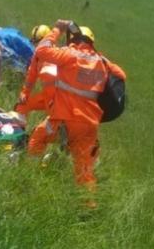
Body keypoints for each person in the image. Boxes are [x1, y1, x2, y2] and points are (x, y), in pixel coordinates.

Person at [27, 20, 126, 188]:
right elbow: (121, 75)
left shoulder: (69, 54)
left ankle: (29, 178)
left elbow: (41, 50)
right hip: (88, 126)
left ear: (74, 39)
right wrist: (101, 58)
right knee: (84, 172)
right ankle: (89, 207)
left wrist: (57, 29)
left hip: (63, 120)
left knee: (37, 139)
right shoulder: (101, 61)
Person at [15, 24, 56, 117]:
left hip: (58, 99)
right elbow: (31, 76)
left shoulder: (58, 55)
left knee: (52, 125)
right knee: (22, 105)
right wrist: (25, 93)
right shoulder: (37, 57)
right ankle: (17, 129)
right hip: (46, 96)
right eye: (35, 43)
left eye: (38, 42)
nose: (36, 46)